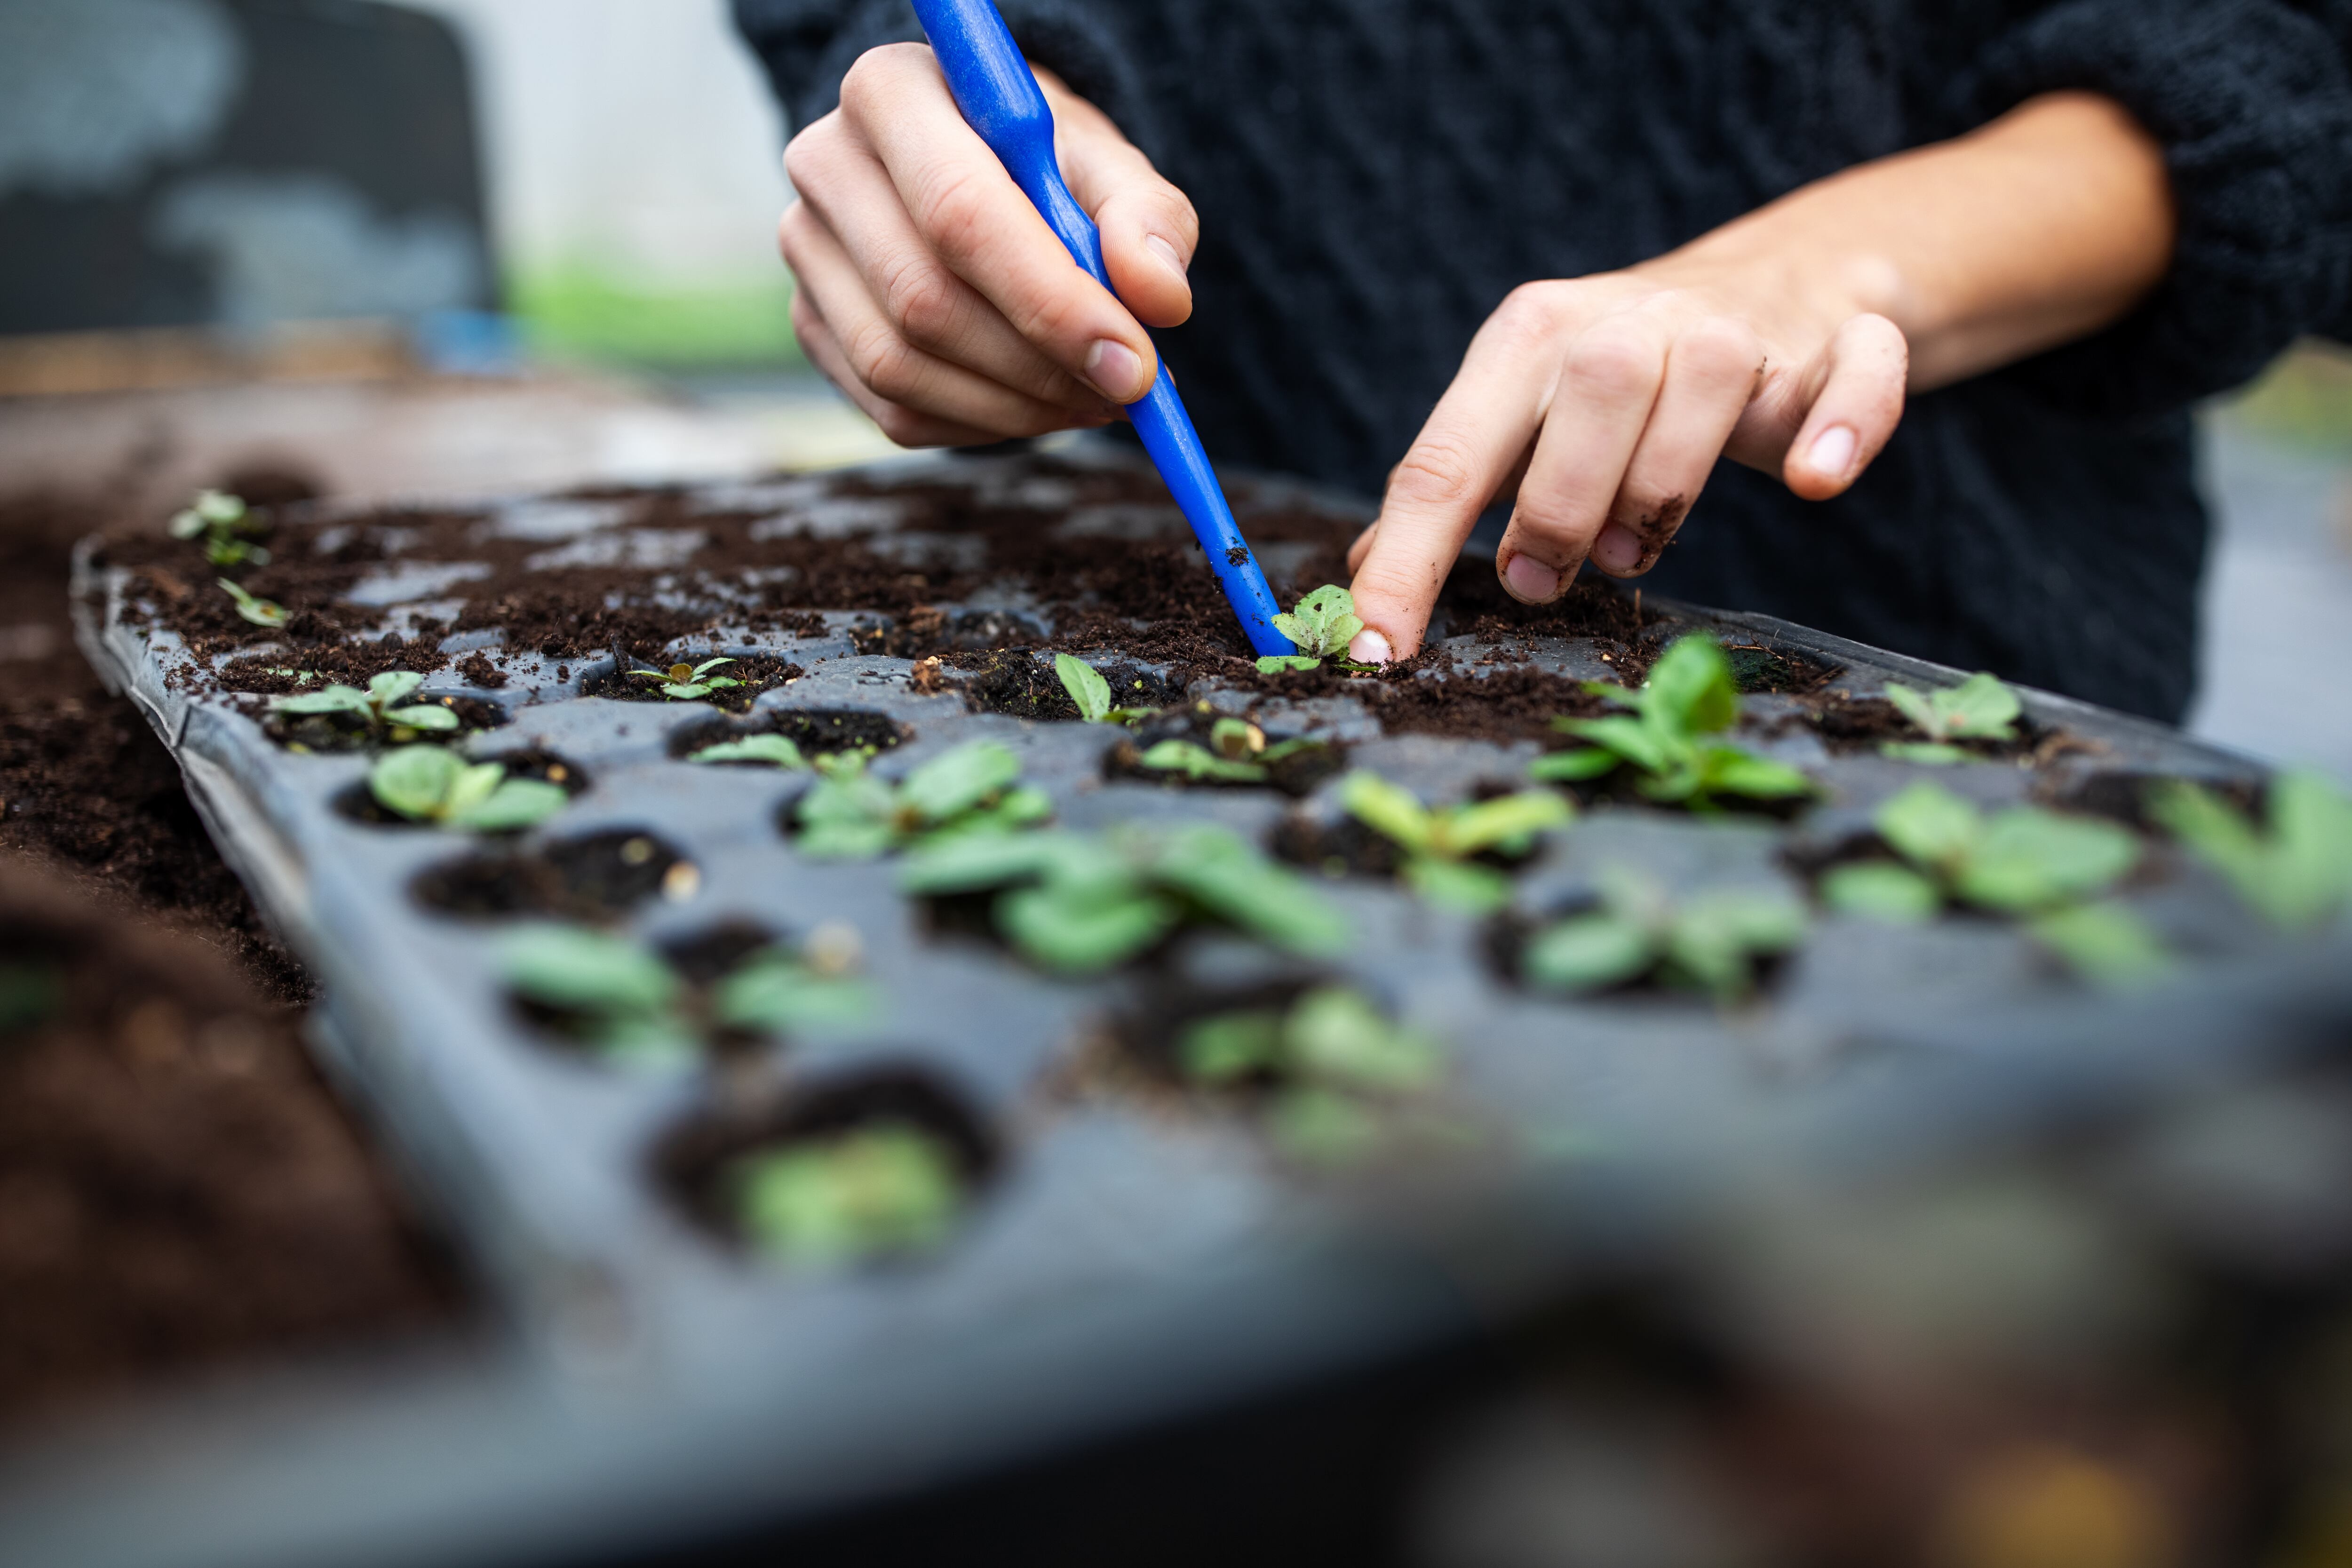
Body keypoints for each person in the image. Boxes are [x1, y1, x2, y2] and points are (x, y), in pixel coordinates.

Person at [731, 1, 2352, 720]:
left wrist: (1822, 268)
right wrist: (933, 129)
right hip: (1141, 589)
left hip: (1954, 649)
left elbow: (2287, 74)